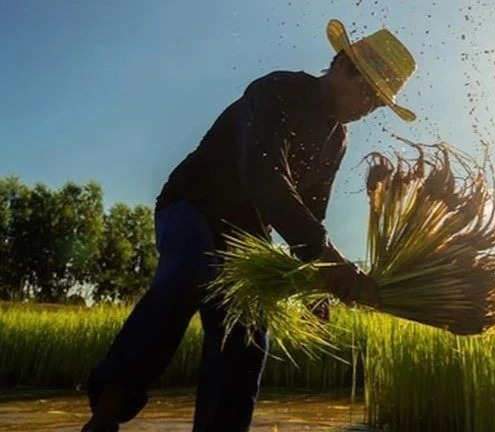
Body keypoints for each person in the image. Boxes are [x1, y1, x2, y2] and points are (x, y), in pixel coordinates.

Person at [81, 18, 417, 432]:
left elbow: (313, 212)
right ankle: (105, 418)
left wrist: (313, 282)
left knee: (248, 333)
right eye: (368, 91)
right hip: (193, 205)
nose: (369, 107)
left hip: (246, 235)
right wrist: (328, 261)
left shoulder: (338, 140)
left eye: (379, 104)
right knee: (186, 275)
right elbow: (265, 176)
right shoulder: (278, 90)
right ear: (343, 65)